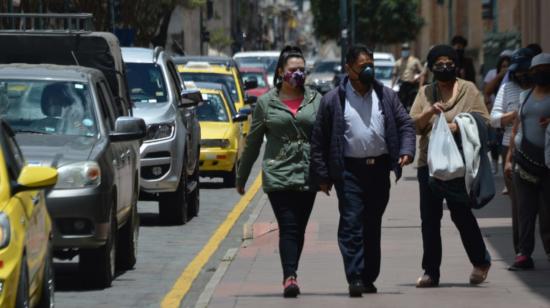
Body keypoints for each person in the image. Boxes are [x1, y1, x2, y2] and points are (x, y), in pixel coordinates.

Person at [311, 44, 416, 297]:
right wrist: (322, 176)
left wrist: (406, 150)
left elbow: (405, 124)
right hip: (349, 172)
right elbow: (319, 140)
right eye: (363, 66)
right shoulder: (332, 100)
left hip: (379, 170)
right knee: (351, 224)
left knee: (372, 224)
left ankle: (369, 277)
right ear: (348, 69)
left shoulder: (386, 96)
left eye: (371, 65)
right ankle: (355, 276)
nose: (369, 70)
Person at [235, 46, 321, 298]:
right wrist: (242, 177)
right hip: (278, 173)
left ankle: (291, 270)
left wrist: (329, 174)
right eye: (293, 70)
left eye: (302, 70)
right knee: (289, 225)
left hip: (308, 173)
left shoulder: (316, 100)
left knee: (299, 228)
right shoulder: (265, 103)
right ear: (281, 72)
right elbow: (253, 142)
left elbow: (326, 137)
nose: (298, 74)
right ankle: (290, 278)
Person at [409, 44, 492, 287]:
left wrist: (460, 125)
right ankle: (431, 272)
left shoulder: (469, 90)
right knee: (430, 218)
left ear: (455, 65)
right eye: (439, 64)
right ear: (432, 68)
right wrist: (429, 114)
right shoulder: (425, 92)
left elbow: (485, 122)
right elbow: (414, 124)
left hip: (459, 164)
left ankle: (481, 261)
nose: (444, 68)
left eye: (449, 63)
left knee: (461, 214)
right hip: (430, 164)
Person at [505, 53, 550, 270]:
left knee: (548, 212)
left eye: (546, 69)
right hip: (523, 161)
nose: (541, 73)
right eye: (537, 70)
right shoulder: (525, 96)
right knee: (524, 211)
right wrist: (508, 158)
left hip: (548, 163)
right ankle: (523, 253)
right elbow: (516, 129)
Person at [490, 48, 536, 254]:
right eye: (517, 72)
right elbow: (493, 119)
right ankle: (522, 251)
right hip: (513, 149)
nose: (520, 76)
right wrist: (514, 115)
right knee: (520, 206)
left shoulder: (543, 88)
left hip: (543, 151)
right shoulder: (508, 87)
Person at [392, 43, 424, 111]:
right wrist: (392, 86)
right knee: (402, 103)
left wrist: (420, 85)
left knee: (412, 103)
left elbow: (422, 73)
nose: (405, 51)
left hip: (412, 85)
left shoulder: (415, 61)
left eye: (406, 49)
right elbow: (394, 75)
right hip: (402, 85)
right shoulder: (398, 62)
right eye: (403, 49)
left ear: (409, 50)